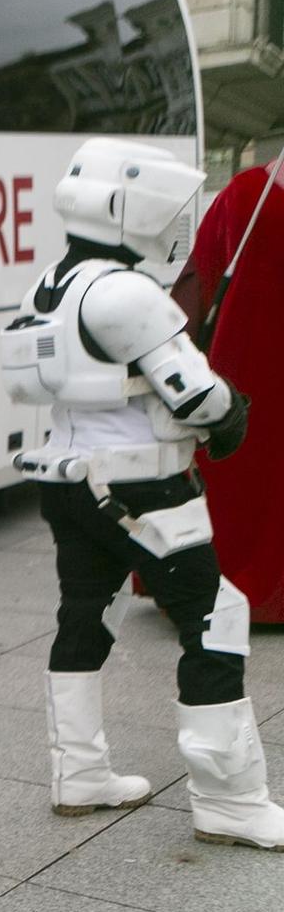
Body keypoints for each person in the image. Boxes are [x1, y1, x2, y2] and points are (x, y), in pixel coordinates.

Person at [0, 137, 281, 851]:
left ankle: (79, 773)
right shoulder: (125, 291)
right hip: (140, 480)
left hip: (70, 480)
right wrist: (230, 417)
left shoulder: (52, 283)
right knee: (215, 613)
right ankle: (231, 799)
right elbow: (197, 393)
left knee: (87, 614)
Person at [173, 157, 284, 624]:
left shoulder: (242, 193)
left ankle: (217, 583)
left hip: (244, 366)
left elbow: (198, 279)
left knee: (239, 474)